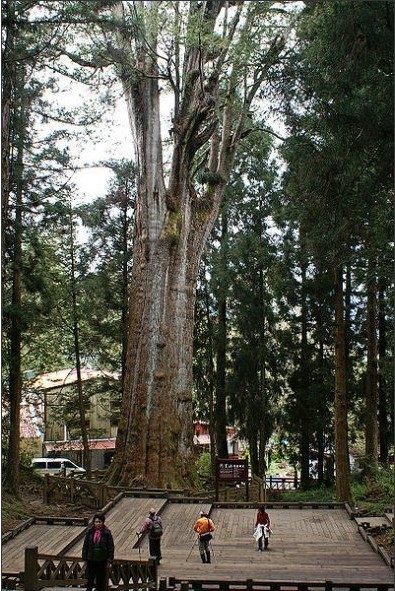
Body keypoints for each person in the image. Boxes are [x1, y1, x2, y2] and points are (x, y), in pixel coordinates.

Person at [82, 513, 114, 591]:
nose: (98, 523)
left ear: (103, 522)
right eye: (96, 522)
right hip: (91, 558)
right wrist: (84, 558)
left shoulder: (107, 532)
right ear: (94, 522)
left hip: (102, 558)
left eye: (100, 522)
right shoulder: (90, 531)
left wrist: (109, 560)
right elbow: (85, 545)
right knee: (90, 577)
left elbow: (111, 547)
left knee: (100, 578)